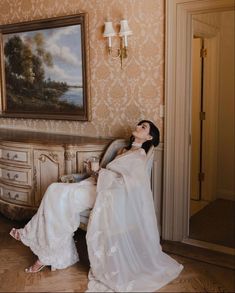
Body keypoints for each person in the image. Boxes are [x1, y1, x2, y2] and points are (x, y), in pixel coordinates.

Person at [9, 120, 183, 292]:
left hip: (109, 195)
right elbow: (110, 174)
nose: (138, 127)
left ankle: (38, 244)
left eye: (143, 127)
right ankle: (50, 252)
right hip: (96, 185)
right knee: (55, 192)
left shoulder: (139, 156)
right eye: (139, 124)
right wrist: (94, 171)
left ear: (150, 137)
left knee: (59, 197)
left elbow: (126, 184)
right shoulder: (124, 150)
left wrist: (99, 171)